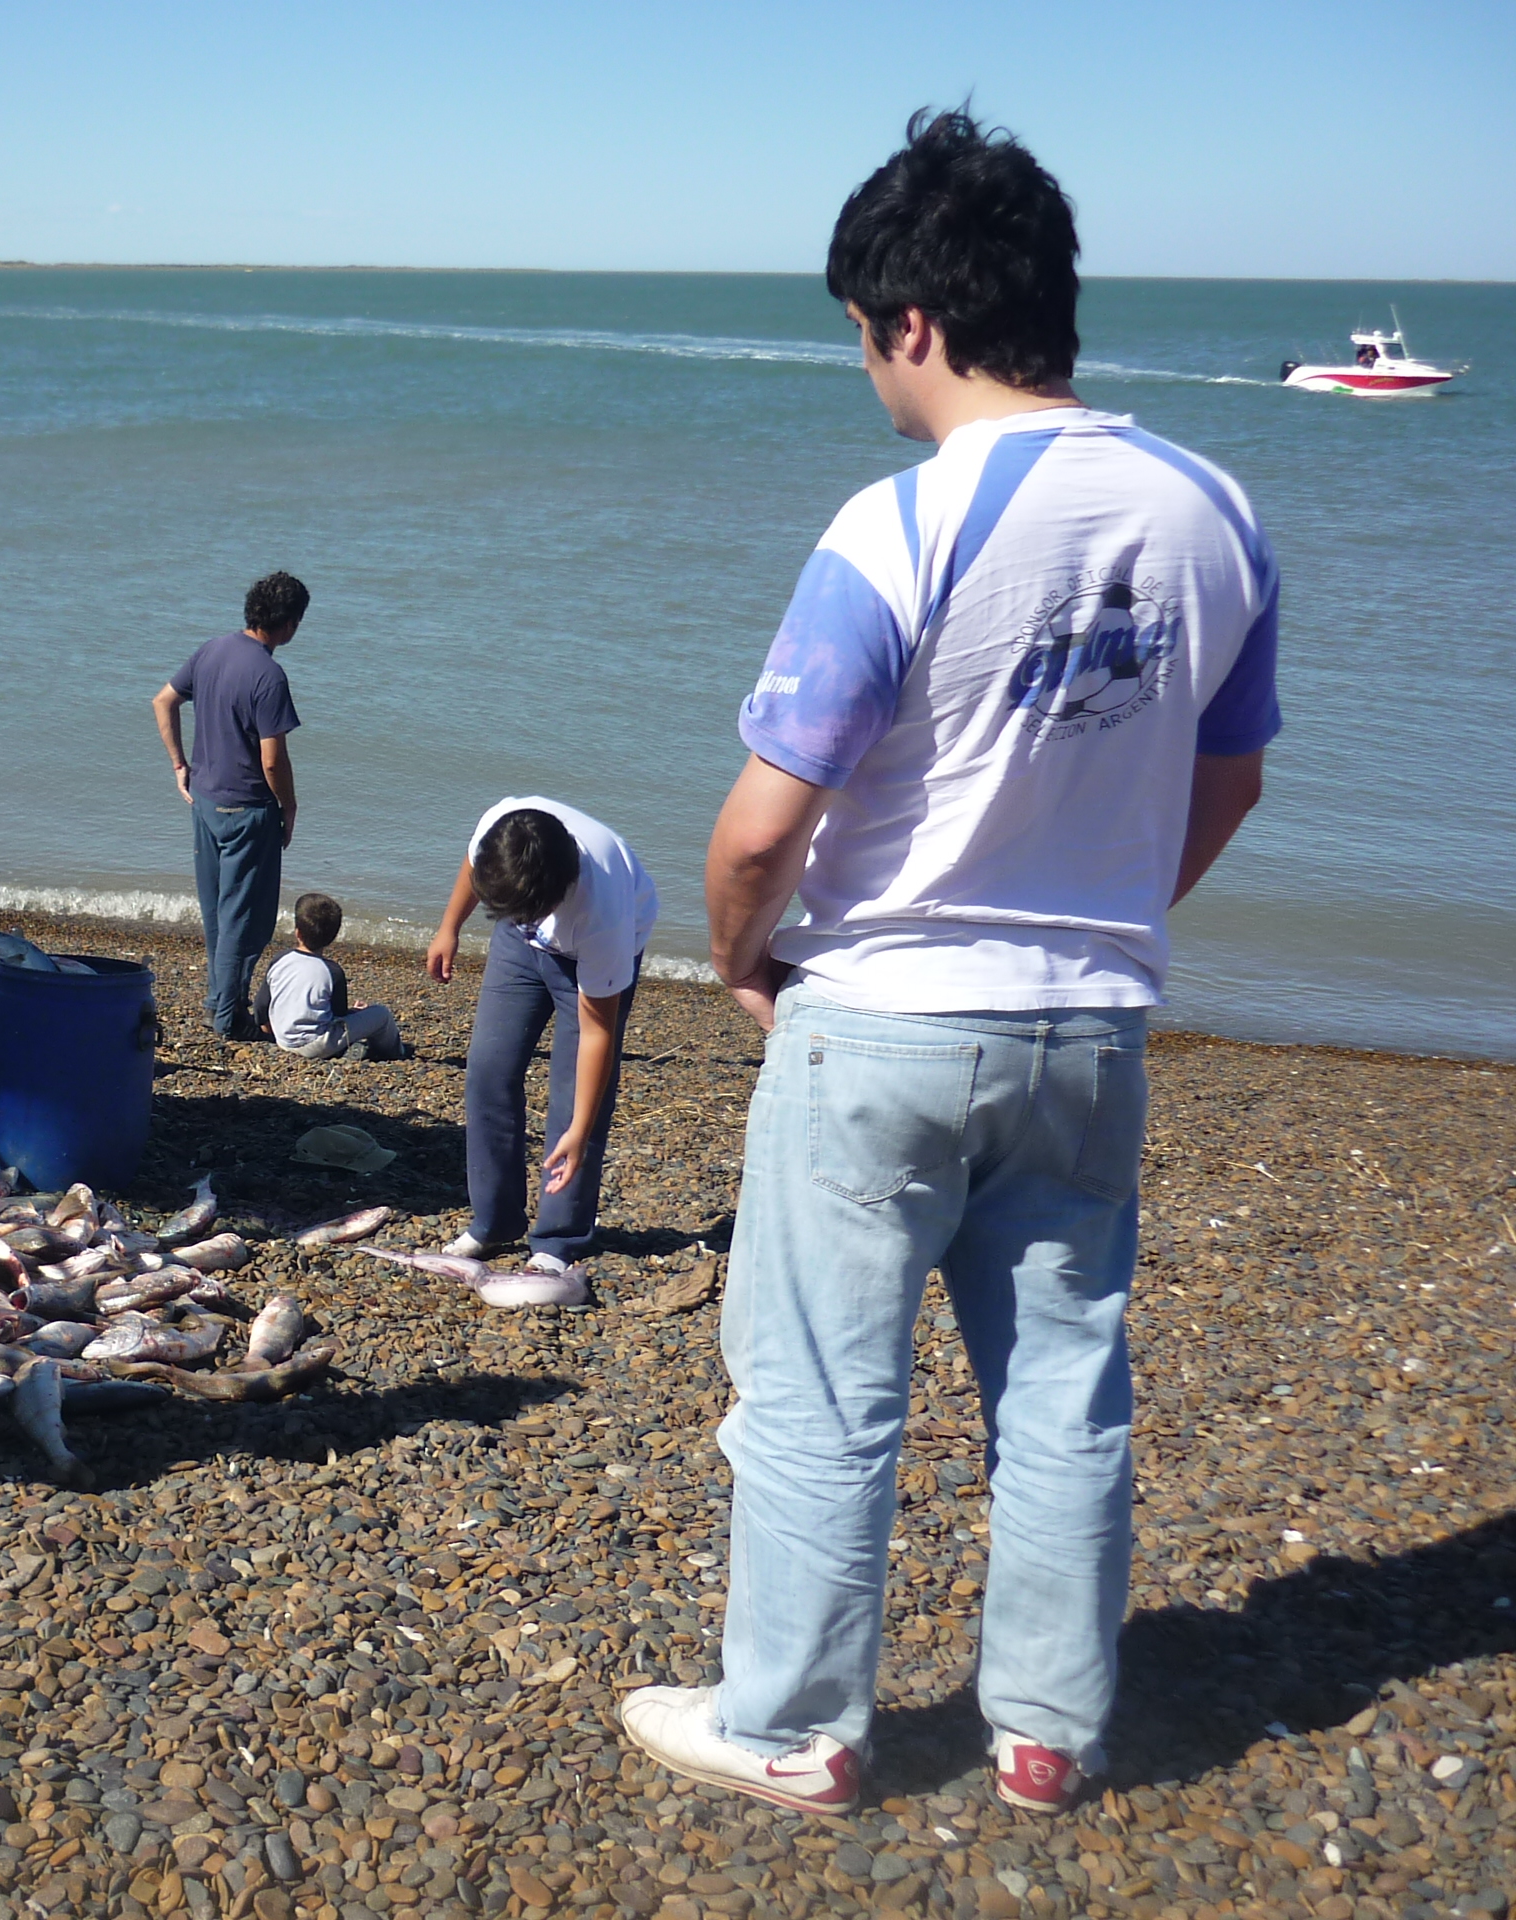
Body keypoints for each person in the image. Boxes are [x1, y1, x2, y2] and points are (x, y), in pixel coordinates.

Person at [618, 109, 1279, 1818]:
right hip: (1088, 1028)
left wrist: (741, 961)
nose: (870, 372)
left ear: (913, 321)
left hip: (885, 1023)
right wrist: (1116, 915)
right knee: (1063, 1385)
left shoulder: (899, 524)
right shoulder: (1216, 514)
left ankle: (799, 1724)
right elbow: (1231, 777)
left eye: (864, 337)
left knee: (826, 1390)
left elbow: (764, 826)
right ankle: (1049, 1729)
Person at [426, 799, 654, 1274]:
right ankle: (493, 1220)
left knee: (576, 1104)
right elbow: (475, 862)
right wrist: (450, 927)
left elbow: (598, 1036)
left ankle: (558, 1238)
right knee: (488, 1071)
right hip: (518, 945)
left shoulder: (602, 913)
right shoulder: (502, 826)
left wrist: (578, 1130)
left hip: (584, 956)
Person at [151, 571, 308, 1039]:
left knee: (218, 912)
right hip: (248, 810)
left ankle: (218, 1004)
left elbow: (163, 702)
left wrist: (180, 764)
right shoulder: (268, 674)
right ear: (290, 624)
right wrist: (290, 807)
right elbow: (272, 759)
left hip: (205, 801)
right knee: (247, 919)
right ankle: (226, 1016)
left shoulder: (211, 650)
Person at [254, 892, 405, 1060]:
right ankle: (396, 1053)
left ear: (297, 933)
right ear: (332, 938)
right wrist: (355, 1012)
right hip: (316, 1045)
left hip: (282, 1039)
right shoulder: (332, 971)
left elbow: (261, 1005)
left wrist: (268, 1030)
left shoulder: (280, 959)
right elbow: (338, 1015)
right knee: (381, 1014)